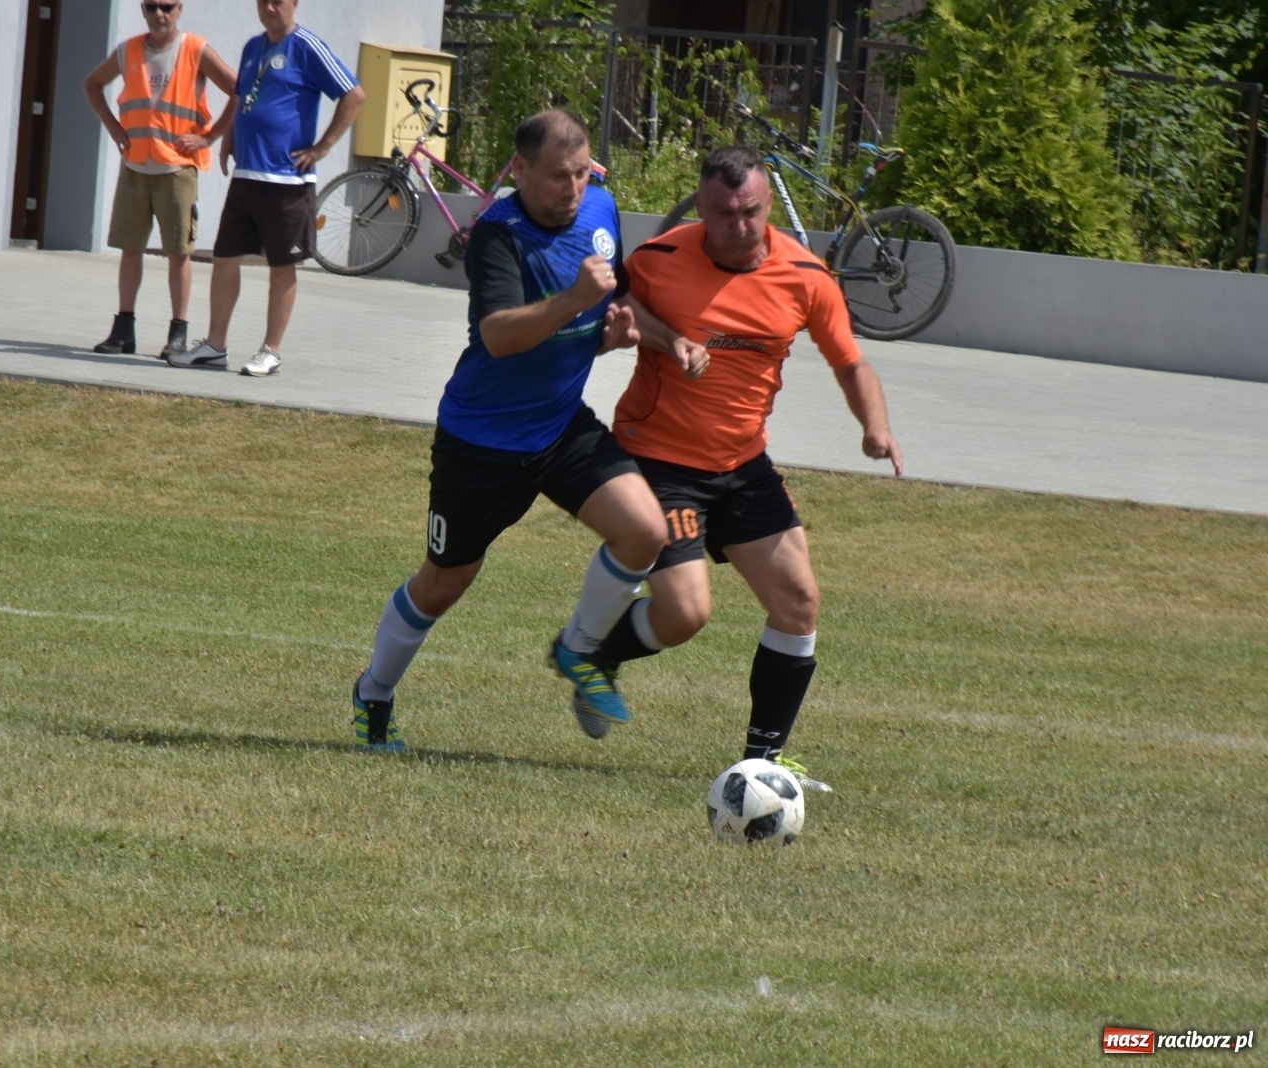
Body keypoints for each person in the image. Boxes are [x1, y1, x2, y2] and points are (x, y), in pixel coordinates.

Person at [350, 109, 666, 753]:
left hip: (558, 428)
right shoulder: (498, 234)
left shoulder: (602, 211)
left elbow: (614, 303)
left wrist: (627, 335)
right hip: (482, 443)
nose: (572, 190)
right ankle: (374, 693)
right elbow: (498, 337)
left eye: (581, 174)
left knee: (645, 532)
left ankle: (579, 650)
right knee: (445, 582)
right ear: (519, 170)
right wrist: (576, 303)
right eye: (556, 177)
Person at [587, 144, 904, 785]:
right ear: (701, 207)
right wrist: (666, 340)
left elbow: (850, 362)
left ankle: (760, 764)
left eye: (752, 212)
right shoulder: (659, 260)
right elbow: (618, 314)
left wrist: (875, 426)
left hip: (743, 464)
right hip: (660, 462)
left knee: (799, 601)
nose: (739, 227)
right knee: (685, 614)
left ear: (767, 206)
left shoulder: (806, 275)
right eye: (723, 214)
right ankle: (597, 657)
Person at [197, 0, 364, 377]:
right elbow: (243, 97)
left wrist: (322, 147)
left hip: (287, 182)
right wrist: (228, 137)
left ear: (294, 4)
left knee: (282, 265)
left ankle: (271, 350)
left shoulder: (306, 47)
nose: (269, 8)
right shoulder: (252, 47)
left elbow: (353, 94)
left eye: (278, 1)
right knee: (225, 258)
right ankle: (214, 345)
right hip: (247, 176)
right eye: (263, 2)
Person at [83, 0, 237, 364]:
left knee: (178, 253)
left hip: (176, 169)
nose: (159, 14)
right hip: (137, 165)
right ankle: (123, 331)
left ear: (179, 9)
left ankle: (178, 334)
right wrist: (115, 128)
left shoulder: (194, 49)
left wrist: (209, 137)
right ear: (142, 9)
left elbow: (239, 89)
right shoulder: (129, 50)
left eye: (166, 6)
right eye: (152, 7)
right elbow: (92, 84)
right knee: (130, 247)